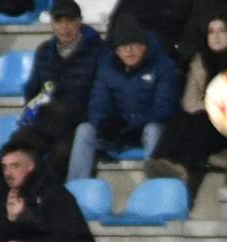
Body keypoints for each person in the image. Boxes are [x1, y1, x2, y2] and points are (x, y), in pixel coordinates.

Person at [144, 16, 227, 196]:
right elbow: (189, 101)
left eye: (222, 31)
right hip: (205, 120)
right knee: (180, 117)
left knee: (201, 120)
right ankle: (160, 162)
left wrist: (211, 109)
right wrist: (209, 108)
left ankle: (181, 168)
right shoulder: (200, 59)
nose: (216, 36)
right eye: (211, 32)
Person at [69, 21, 177, 180]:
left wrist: (127, 123)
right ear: (117, 51)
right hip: (118, 132)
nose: (129, 51)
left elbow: (163, 109)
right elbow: (98, 104)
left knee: (153, 130)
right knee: (85, 130)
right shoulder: (107, 68)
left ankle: (155, 190)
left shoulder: (163, 66)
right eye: (124, 47)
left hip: (147, 129)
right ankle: (75, 190)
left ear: (144, 46)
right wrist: (105, 124)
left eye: (134, 45)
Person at [21, 0, 103, 180]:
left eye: (70, 21)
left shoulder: (97, 51)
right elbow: (33, 91)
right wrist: (29, 117)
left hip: (77, 123)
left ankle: (44, 199)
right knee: (16, 148)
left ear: (79, 22)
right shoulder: (44, 51)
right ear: (52, 23)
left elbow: (99, 95)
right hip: (46, 120)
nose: (64, 27)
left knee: (60, 154)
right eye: (59, 21)